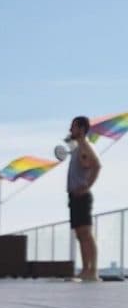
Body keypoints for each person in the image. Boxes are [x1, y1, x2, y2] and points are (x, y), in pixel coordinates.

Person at [66, 116, 101, 281]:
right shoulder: (78, 148)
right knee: (80, 235)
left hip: (82, 197)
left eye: (73, 127)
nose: (70, 130)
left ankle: (92, 271)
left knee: (86, 233)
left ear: (81, 129)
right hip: (74, 197)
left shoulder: (85, 146)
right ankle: (85, 269)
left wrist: (87, 185)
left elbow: (97, 165)